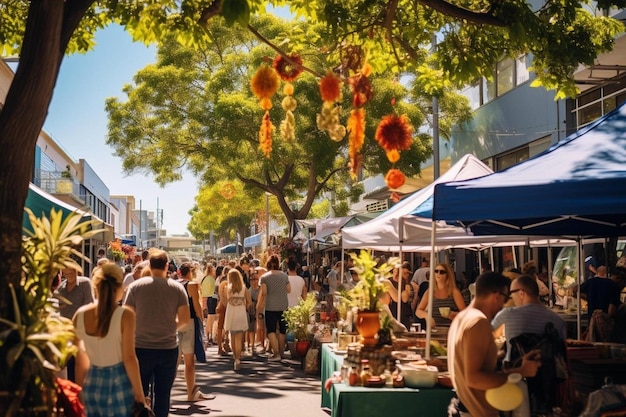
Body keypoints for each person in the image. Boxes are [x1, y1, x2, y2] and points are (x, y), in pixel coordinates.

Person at [447, 271, 542, 417]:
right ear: (496, 296)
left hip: (466, 408)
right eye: (505, 299)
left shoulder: (462, 318)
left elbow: (473, 362)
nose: (504, 305)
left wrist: (516, 363)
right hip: (475, 412)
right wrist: (520, 372)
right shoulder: (478, 322)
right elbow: (474, 378)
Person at [123, 249, 191, 417]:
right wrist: (170, 326)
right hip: (167, 348)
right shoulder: (177, 289)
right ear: (167, 266)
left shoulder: (135, 287)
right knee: (163, 394)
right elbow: (184, 320)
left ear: (150, 265)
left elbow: (126, 315)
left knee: (139, 394)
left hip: (140, 347)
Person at [73, 262, 145, 417]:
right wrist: (139, 394)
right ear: (119, 287)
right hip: (119, 383)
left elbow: (80, 361)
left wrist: (80, 392)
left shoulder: (80, 315)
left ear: (95, 286)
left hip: (91, 383)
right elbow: (129, 358)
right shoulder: (125, 315)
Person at [491, 274, 567, 416]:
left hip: (514, 381)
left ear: (521, 293)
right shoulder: (557, 321)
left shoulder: (507, 314)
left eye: (511, 294)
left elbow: (487, 338)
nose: (510, 298)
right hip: (548, 388)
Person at [176, 263, 212, 401]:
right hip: (189, 322)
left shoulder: (174, 283)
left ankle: (165, 392)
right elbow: (197, 307)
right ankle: (191, 392)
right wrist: (201, 321)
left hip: (175, 322)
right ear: (191, 272)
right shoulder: (191, 285)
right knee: (189, 361)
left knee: (175, 359)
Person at [54, 266, 94, 381]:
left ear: (77, 271)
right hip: (66, 334)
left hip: (82, 332)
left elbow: (89, 305)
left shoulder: (85, 284)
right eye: (66, 274)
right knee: (69, 366)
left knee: (82, 366)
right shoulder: (61, 288)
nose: (69, 276)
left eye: (71, 273)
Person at [256, 255, 291, 362]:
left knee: (271, 329)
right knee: (282, 329)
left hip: (270, 306)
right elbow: (289, 290)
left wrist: (260, 305)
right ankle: (280, 352)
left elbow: (264, 292)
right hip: (283, 305)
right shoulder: (284, 276)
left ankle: (275, 353)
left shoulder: (264, 277)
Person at [415, 263, 465, 327]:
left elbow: (465, 313)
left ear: (448, 275)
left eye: (442, 272)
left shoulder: (454, 292)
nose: (438, 274)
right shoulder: (430, 292)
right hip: (434, 330)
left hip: (451, 329)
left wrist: (455, 314)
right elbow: (418, 311)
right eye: (436, 271)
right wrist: (427, 316)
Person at [224, 268, 252, 370]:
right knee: (239, 338)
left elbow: (227, 299)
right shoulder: (244, 288)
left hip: (231, 312)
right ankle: (238, 359)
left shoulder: (227, 288)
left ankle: (235, 358)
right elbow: (249, 302)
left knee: (233, 336)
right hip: (240, 312)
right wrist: (244, 306)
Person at [201, 263, 218, 347]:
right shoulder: (211, 280)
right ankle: (210, 336)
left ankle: (208, 336)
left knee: (208, 319)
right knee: (212, 319)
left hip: (206, 299)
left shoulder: (204, 279)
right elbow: (213, 291)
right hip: (212, 299)